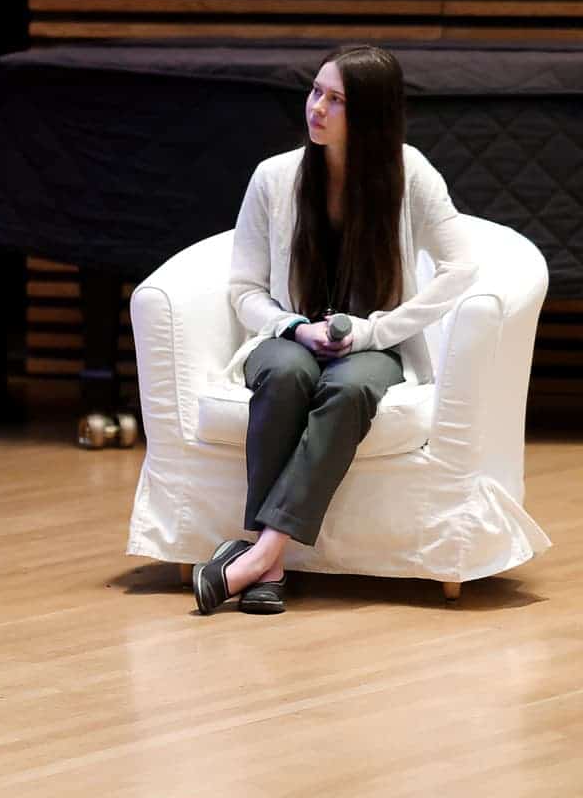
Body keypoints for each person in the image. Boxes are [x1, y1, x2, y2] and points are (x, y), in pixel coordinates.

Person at [194, 43, 475, 615]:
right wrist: (293, 327)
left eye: (336, 99)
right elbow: (242, 288)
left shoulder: (410, 171)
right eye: (316, 92)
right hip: (284, 339)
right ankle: (266, 566)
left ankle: (257, 557)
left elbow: (461, 266)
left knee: (349, 387)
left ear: (369, 113)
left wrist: (376, 332)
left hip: (372, 344)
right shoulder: (274, 178)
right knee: (287, 375)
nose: (316, 108)